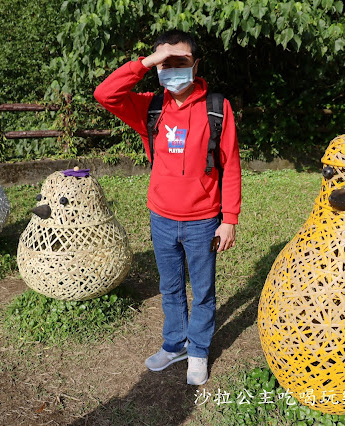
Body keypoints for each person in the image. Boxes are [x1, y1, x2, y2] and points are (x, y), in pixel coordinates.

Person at [94, 30, 241, 385]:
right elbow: (105, 94)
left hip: (204, 221)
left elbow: (231, 165)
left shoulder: (216, 108)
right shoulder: (150, 107)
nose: (172, 68)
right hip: (160, 217)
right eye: (165, 63)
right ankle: (175, 343)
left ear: (196, 64)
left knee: (203, 290)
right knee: (171, 286)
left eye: (180, 62)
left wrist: (229, 220)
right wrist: (144, 64)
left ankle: (198, 350)